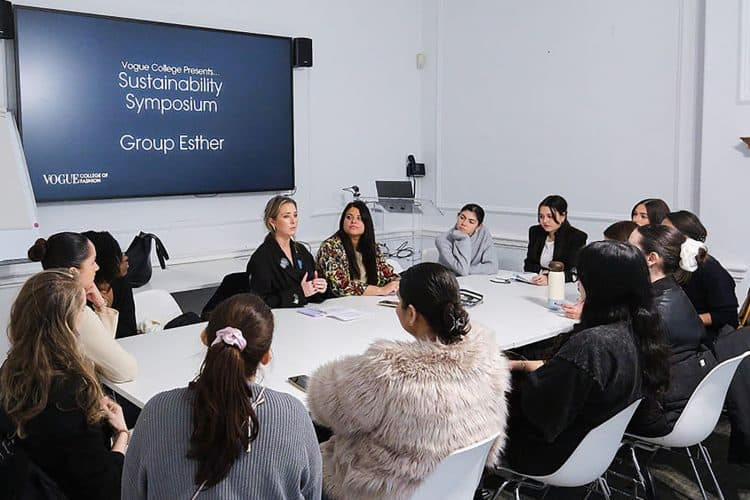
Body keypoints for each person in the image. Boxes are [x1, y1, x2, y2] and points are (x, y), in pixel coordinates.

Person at [307, 262, 510, 500]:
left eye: (398, 301)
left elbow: (323, 406)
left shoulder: (390, 371)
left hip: (385, 487)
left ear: (411, 313)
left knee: (311, 450)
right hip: (457, 486)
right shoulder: (487, 355)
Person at [122, 294, 322, 499]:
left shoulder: (157, 411)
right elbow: (311, 493)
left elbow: (130, 494)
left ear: (204, 338)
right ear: (266, 356)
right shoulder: (294, 416)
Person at [504, 241, 670, 475]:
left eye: (581, 276)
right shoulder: (641, 328)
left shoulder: (593, 345)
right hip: (599, 449)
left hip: (551, 453)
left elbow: (541, 409)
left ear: (596, 285)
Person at [0, 270, 129, 499]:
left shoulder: (10, 369)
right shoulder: (75, 393)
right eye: (82, 309)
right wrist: (121, 435)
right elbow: (107, 490)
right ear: (69, 322)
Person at [627, 225, 717, 436]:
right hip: (690, 405)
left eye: (630, 248)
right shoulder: (675, 293)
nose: (623, 252)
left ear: (651, 259)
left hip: (658, 413)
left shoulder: (650, 310)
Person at [27, 232, 138, 382]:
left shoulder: (35, 297)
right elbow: (124, 371)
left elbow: (102, 350)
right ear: (74, 272)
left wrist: (100, 307)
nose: (97, 267)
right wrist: (101, 309)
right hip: (66, 400)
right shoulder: (76, 310)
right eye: (92, 262)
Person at [663, 210, 738, 334]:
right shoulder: (673, 262)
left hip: (704, 338)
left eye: (667, 232)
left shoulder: (709, 268)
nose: (662, 236)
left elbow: (727, 316)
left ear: (686, 237)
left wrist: (683, 321)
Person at [248, 196, 328, 308]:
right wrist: (300, 293)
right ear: (272, 222)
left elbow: (310, 291)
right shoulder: (262, 257)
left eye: (295, 215)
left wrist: (319, 288)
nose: (293, 221)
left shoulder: (301, 250)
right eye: (286, 216)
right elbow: (260, 302)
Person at [316, 201, 399, 296]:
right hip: (337, 303)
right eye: (349, 217)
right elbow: (340, 286)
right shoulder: (330, 247)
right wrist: (381, 290)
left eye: (359, 218)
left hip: (367, 302)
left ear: (366, 223)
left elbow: (386, 274)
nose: (353, 221)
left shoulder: (373, 247)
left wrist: (398, 282)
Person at [560, 220, 638, 320]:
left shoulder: (635, 278)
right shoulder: (614, 268)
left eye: (608, 245)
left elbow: (625, 316)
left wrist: (588, 315)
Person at [83, 230, 138, 339]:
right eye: (118, 255)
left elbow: (130, 330)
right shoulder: (77, 296)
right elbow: (93, 339)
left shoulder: (121, 283)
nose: (125, 258)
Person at [524, 195, 587, 284]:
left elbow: (573, 273)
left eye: (550, 216)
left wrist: (549, 278)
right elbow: (528, 264)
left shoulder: (576, 237)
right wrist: (542, 276)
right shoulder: (535, 232)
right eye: (541, 216)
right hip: (536, 283)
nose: (545, 221)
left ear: (563, 216)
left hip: (563, 286)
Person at [435, 203, 498, 276]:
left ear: (478, 226)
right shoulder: (442, 240)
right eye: (462, 217)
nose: (464, 223)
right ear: (457, 216)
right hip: (448, 280)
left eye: (471, 222)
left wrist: (467, 269)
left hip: (473, 279)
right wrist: (464, 239)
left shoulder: (484, 233)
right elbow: (462, 272)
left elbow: (492, 267)